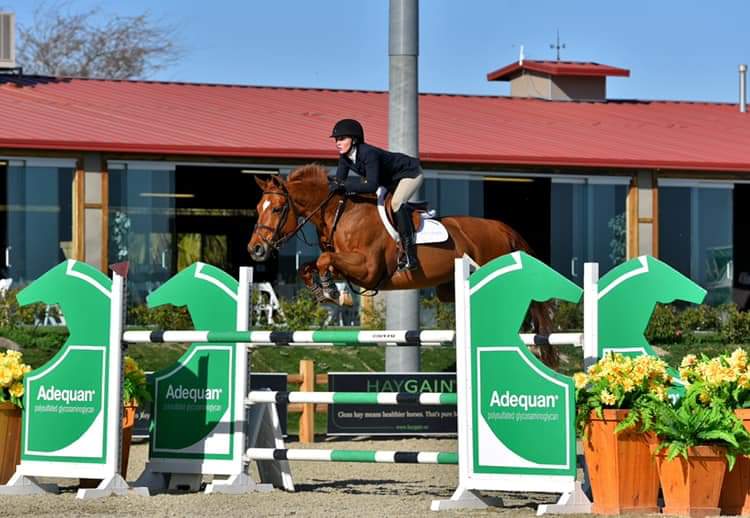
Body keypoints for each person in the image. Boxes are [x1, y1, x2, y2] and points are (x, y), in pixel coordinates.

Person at [330, 118, 423, 271]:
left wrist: (344, 186)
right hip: (388, 181)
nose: (337, 143)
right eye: (336, 140)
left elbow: (371, 186)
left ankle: (409, 254)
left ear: (353, 140)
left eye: (341, 139)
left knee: (396, 203)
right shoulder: (344, 158)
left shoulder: (368, 153)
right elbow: (339, 181)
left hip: (410, 174)